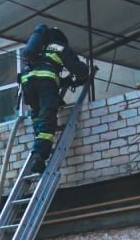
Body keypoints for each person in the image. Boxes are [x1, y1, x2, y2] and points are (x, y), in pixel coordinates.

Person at [18, 23, 94, 173]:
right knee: (48, 115)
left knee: (38, 116)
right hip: (44, 82)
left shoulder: (36, 50)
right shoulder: (57, 47)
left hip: (27, 83)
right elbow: (77, 68)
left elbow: (44, 70)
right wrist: (84, 75)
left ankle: (38, 148)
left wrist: (66, 81)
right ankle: (40, 155)